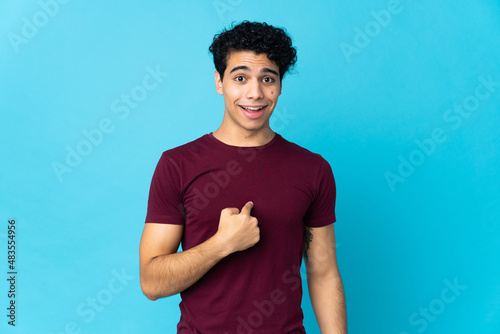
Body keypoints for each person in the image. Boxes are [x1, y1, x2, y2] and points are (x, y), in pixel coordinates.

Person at [139, 21, 347, 333]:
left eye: (268, 79)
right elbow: (152, 283)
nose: (255, 93)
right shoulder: (177, 165)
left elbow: (324, 271)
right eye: (240, 78)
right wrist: (222, 244)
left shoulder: (312, 169)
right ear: (219, 81)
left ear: (279, 85)